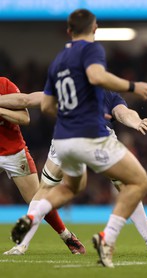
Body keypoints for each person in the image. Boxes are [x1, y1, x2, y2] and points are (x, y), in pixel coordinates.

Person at [10, 9, 147, 268]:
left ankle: (32, 217)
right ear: (95, 28)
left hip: (63, 140)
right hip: (90, 135)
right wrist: (133, 87)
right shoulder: (92, 50)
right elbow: (97, 76)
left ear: (68, 31)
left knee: (70, 188)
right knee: (139, 182)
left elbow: (46, 106)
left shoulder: (58, 61)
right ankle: (106, 238)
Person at [0, 91, 147, 256]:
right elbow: (123, 113)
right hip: (98, 137)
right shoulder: (107, 93)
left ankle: (21, 245)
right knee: (130, 186)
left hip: (67, 137)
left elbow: (27, 100)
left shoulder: (66, 87)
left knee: (45, 189)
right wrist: (136, 122)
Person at [0, 77, 85, 255]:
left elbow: (24, 117)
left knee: (37, 200)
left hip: (13, 152)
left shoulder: (4, 85)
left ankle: (67, 236)